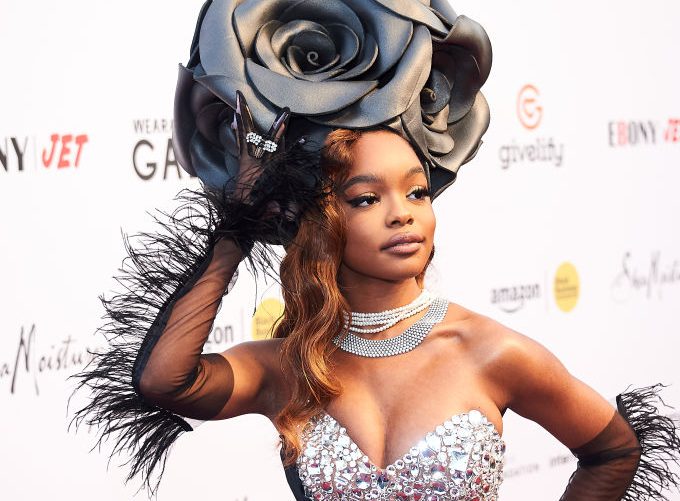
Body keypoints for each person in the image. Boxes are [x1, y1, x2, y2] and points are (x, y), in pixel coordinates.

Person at [70, 1, 680, 499]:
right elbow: (165, 382)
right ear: (320, 219)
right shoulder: (290, 367)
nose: (402, 214)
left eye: (417, 191)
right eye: (366, 198)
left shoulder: (491, 352)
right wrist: (239, 221)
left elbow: (613, 450)